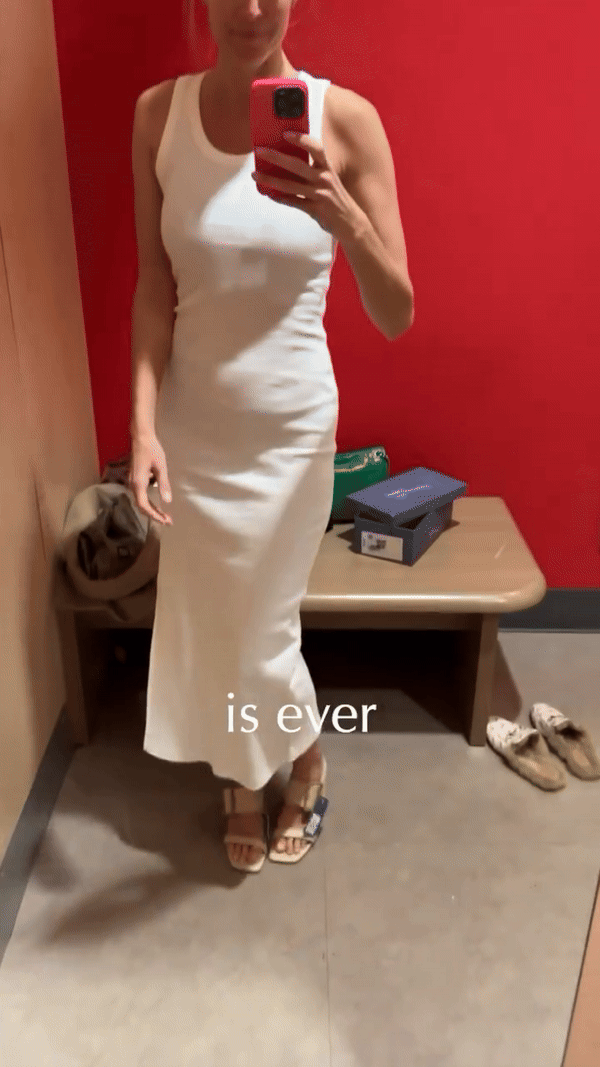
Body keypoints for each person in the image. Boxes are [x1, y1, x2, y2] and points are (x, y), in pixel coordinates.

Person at [129, 0, 343, 872]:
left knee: (264, 627)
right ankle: (241, 774)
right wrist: (142, 425)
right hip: (195, 428)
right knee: (216, 618)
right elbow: (153, 286)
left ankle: (307, 756)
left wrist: (344, 216)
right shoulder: (158, 114)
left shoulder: (344, 119)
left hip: (293, 433)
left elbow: (398, 306)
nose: (250, 9)